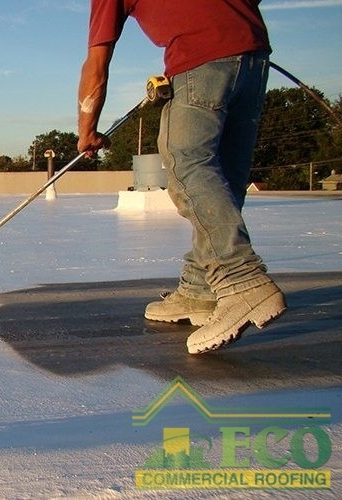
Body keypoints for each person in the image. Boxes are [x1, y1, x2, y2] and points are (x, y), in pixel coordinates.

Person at [77, 0, 287, 354]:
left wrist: (87, 130)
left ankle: (242, 280)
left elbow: (97, 63)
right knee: (225, 175)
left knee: (186, 162)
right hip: (253, 56)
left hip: (202, 57)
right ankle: (199, 289)